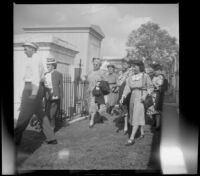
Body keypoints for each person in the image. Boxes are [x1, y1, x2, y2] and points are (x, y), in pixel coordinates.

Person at [14, 42, 57, 146]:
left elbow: (36, 77)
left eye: (26, 49)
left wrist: (33, 93)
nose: (24, 51)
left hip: (31, 88)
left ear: (32, 49)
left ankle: (15, 139)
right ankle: (51, 138)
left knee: (23, 115)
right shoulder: (36, 58)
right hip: (37, 88)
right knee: (41, 115)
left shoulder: (34, 59)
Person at [120, 60, 153, 146]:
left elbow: (150, 87)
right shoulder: (131, 77)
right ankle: (142, 133)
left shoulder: (145, 76)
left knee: (136, 116)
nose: (133, 68)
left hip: (141, 97)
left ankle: (131, 139)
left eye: (135, 66)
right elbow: (127, 87)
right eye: (133, 66)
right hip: (132, 97)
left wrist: (145, 95)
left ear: (140, 66)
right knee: (134, 115)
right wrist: (123, 95)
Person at [87, 57, 108, 128]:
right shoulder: (90, 72)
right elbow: (88, 81)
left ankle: (92, 121)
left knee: (93, 105)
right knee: (94, 107)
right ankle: (98, 116)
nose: (95, 65)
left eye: (97, 64)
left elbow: (105, 82)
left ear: (99, 65)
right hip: (90, 91)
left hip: (97, 92)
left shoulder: (101, 72)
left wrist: (100, 83)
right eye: (94, 64)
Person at [43, 57, 63, 131]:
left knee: (52, 113)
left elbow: (61, 86)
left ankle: (51, 128)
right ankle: (49, 127)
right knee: (47, 112)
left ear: (53, 66)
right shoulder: (45, 74)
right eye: (47, 64)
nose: (47, 66)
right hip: (47, 95)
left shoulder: (58, 74)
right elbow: (44, 86)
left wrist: (60, 96)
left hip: (55, 95)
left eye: (49, 65)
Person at [115, 58, 132, 134]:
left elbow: (129, 82)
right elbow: (118, 82)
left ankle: (128, 125)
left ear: (129, 64)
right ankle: (126, 125)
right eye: (123, 64)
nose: (124, 65)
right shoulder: (121, 72)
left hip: (128, 91)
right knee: (123, 107)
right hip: (121, 90)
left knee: (128, 108)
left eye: (125, 64)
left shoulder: (131, 71)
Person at [151, 63, 165, 130]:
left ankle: (158, 125)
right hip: (153, 94)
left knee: (157, 110)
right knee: (153, 109)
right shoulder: (154, 77)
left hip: (158, 95)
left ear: (159, 70)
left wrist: (154, 85)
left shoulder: (161, 77)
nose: (154, 72)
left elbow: (159, 85)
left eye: (156, 70)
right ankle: (154, 122)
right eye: (154, 70)